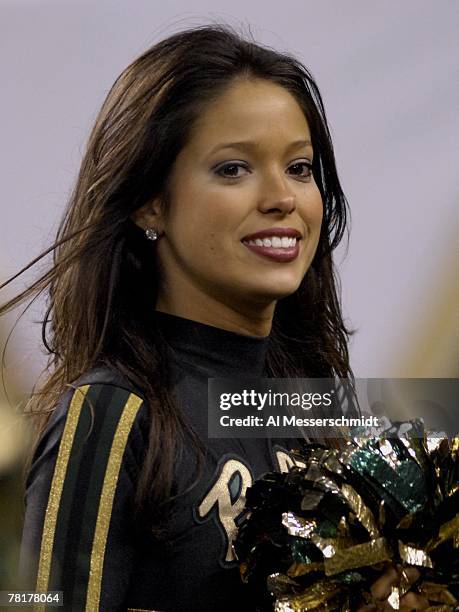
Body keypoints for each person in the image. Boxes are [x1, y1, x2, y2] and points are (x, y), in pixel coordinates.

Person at [1, 24, 427, 612]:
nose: (282, 197)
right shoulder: (109, 414)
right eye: (233, 169)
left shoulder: (316, 409)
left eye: (300, 168)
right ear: (152, 202)